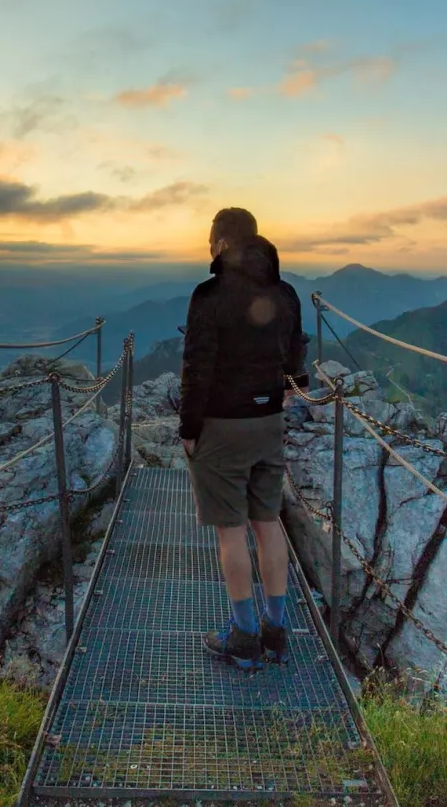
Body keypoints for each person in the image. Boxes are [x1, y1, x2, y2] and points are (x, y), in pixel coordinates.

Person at [178, 207, 310, 669]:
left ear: (220, 243)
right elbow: (296, 355)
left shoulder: (209, 295)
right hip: (269, 421)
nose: (206, 248)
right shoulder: (286, 292)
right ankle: (276, 630)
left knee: (231, 532)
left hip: (222, 425)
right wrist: (289, 390)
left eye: (209, 240)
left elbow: (197, 366)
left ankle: (244, 636)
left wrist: (189, 430)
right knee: (267, 523)